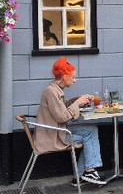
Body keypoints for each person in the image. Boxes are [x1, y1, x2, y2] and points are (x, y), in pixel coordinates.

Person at [37, 57, 106, 185]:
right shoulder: (51, 92)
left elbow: (63, 108)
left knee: (91, 130)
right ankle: (89, 171)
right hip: (54, 136)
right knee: (89, 135)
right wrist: (78, 103)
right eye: (73, 77)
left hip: (58, 131)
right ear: (64, 77)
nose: (75, 80)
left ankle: (81, 176)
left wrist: (78, 101)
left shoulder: (55, 90)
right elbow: (62, 117)